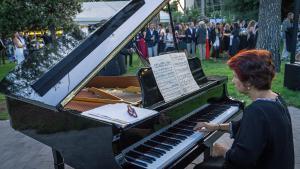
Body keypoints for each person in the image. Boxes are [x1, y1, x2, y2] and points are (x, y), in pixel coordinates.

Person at [194, 50, 294, 169]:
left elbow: (241, 160)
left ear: (249, 82)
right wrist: (215, 127)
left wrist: (223, 151)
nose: (232, 81)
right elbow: (246, 127)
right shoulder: (276, 99)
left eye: (235, 76)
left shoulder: (256, 111)